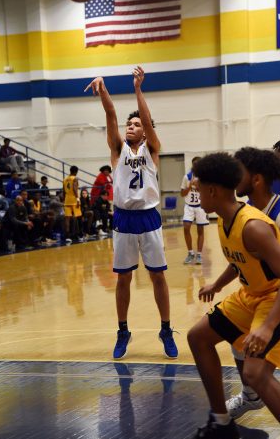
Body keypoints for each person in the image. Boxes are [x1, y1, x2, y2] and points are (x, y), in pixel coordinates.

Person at [183, 152, 280, 439]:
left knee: (255, 374)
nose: (195, 192)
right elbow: (240, 259)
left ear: (212, 191)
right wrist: (217, 284)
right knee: (198, 337)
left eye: (199, 186)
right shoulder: (225, 218)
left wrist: (268, 327)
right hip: (250, 295)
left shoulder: (253, 226)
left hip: (276, 298)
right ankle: (222, 424)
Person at [85, 66, 178, 360]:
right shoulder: (117, 149)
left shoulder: (152, 149)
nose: (132, 126)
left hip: (149, 217)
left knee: (158, 277)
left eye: (137, 124)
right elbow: (111, 115)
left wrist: (138, 89)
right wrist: (103, 90)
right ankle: (123, 330)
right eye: (131, 124)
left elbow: (149, 122)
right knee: (123, 279)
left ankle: (165, 329)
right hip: (124, 218)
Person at [223, 147, 280, 419]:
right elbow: (240, 258)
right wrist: (217, 285)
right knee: (237, 337)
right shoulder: (248, 211)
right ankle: (251, 396)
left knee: (259, 370)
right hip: (266, 293)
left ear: (256, 179)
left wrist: (271, 322)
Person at [181, 156, 209, 265]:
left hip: (200, 206)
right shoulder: (187, 177)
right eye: (195, 164)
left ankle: (199, 255)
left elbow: (207, 192)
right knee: (186, 227)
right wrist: (189, 186)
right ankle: (190, 253)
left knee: (200, 230)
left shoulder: (205, 178)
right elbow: (182, 193)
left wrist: (198, 187)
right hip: (189, 206)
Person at [63, 166, 82, 243]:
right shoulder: (75, 178)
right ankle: (79, 235)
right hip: (73, 199)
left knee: (67, 218)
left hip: (67, 199)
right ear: (76, 171)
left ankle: (67, 236)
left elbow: (63, 191)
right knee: (78, 217)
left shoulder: (65, 179)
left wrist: (64, 199)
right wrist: (77, 198)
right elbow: (74, 188)